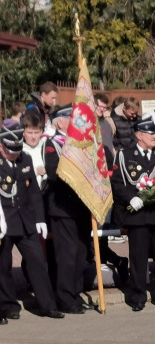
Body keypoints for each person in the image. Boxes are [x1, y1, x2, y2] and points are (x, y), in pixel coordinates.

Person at [111, 115, 155, 311]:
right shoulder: (125, 155)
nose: (154, 136)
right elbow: (116, 183)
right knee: (138, 258)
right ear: (139, 135)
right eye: (150, 133)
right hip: (137, 217)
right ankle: (138, 296)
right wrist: (130, 198)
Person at [0, 127, 64, 321]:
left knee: (37, 261)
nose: (14, 155)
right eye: (10, 151)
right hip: (4, 221)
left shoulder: (25, 158)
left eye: (17, 150)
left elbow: (34, 192)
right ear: (1, 147)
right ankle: (7, 306)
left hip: (26, 221)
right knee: (3, 266)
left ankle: (47, 305)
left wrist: (40, 219)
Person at [42, 107, 95, 313]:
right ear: (60, 122)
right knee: (67, 254)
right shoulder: (53, 143)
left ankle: (75, 293)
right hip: (62, 207)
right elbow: (54, 171)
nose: (75, 121)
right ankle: (65, 297)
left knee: (81, 253)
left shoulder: (82, 143)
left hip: (82, 206)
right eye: (71, 118)